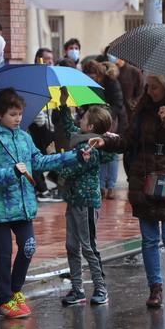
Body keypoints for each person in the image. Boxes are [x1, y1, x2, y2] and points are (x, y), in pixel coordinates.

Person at [0, 88, 88, 319]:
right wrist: (11, 172)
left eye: (20, 114)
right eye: (12, 114)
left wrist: (73, 156)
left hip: (23, 205)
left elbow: (39, 161)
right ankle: (4, 299)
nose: (18, 119)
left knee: (28, 247)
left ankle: (15, 291)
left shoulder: (25, 137)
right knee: (4, 253)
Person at [92, 75, 165, 309]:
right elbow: (128, 141)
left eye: (156, 87)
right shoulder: (142, 109)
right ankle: (155, 289)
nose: (151, 91)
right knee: (149, 240)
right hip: (145, 180)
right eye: (149, 86)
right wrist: (107, 141)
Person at [57, 92, 115, 306]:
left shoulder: (91, 148)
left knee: (88, 246)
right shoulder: (80, 138)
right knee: (72, 245)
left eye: (82, 118)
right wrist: (63, 105)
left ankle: (101, 288)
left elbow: (73, 169)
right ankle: (77, 288)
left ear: (90, 127)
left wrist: (57, 165)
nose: (78, 119)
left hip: (86, 204)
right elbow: (68, 127)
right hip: (73, 201)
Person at [82, 60, 126, 199]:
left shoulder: (111, 82)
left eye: (93, 76)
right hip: (95, 119)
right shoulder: (89, 84)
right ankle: (100, 186)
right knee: (98, 150)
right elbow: (87, 102)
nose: (91, 79)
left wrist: (107, 117)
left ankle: (111, 186)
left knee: (111, 153)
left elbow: (118, 102)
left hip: (112, 120)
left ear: (99, 74)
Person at [28, 48, 58, 202]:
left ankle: (47, 183)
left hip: (48, 124)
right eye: (47, 59)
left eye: (51, 59)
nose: (50, 62)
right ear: (39, 59)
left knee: (50, 154)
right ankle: (41, 188)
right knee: (37, 156)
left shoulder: (51, 76)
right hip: (35, 125)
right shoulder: (32, 77)